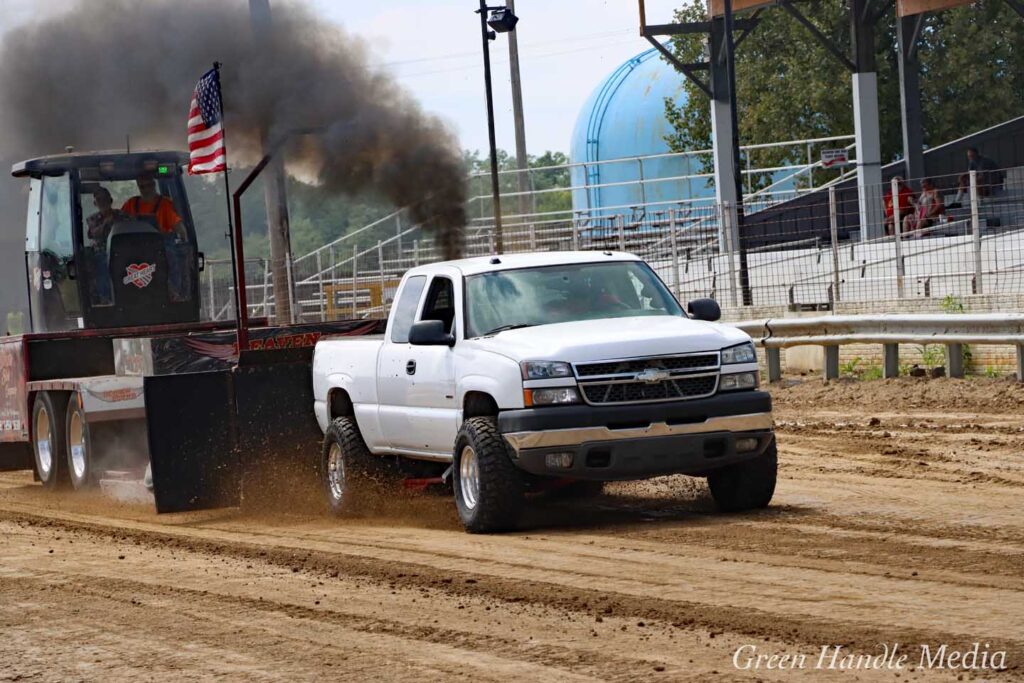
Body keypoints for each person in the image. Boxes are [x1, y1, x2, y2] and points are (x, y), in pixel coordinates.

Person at [121, 174, 188, 241]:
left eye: (149, 185)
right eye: (142, 187)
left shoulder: (164, 204)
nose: (146, 189)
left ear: (154, 184)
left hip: (161, 247)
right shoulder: (131, 203)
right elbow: (118, 223)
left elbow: (180, 229)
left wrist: (183, 242)